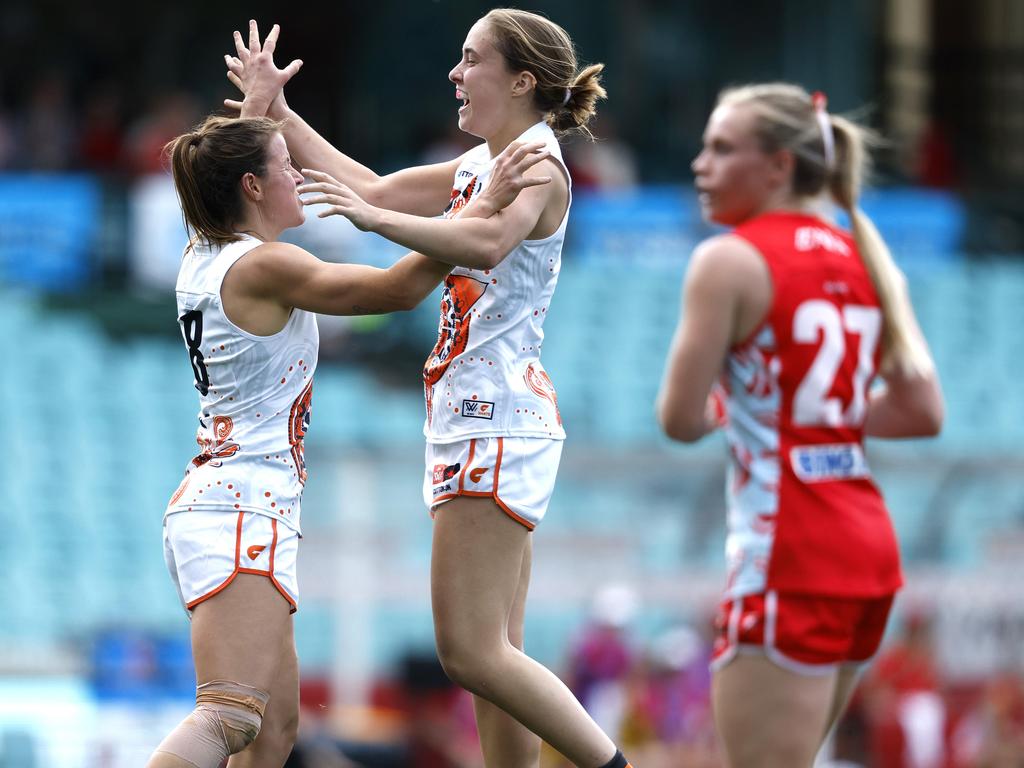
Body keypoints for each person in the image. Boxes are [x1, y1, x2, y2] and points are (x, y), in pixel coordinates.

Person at [225, 13, 634, 768]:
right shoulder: (489, 161)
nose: (455, 72)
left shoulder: (536, 165)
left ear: (521, 80)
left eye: (471, 59)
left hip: (494, 417)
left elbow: (482, 240)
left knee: (470, 654)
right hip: (479, 415)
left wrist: (375, 220)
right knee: (497, 659)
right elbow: (371, 184)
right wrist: (281, 114)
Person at [146, 113, 548, 768]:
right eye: (284, 164)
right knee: (227, 717)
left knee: (274, 733)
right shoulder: (267, 266)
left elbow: (221, 167)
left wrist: (261, 104)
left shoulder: (205, 252)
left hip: (229, 499)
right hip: (241, 503)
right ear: (250, 185)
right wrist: (482, 205)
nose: (298, 175)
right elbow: (397, 289)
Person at [655, 83, 945, 768]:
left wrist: (736, 407)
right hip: (866, 550)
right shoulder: (865, 254)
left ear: (780, 165)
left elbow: (677, 418)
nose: (701, 163)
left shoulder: (727, 259)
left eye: (722, 148)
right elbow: (922, 411)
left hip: (789, 551)